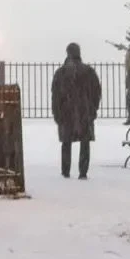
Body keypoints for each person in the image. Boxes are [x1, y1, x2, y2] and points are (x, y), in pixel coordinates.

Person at [51, 42, 102, 179]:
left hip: (66, 112)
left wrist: (57, 112)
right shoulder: (89, 72)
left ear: (67, 53)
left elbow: (56, 95)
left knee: (66, 142)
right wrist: (93, 109)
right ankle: (83, 171)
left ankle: (65, 170)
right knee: (85, 142)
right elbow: (97, 92)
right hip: (84, 111)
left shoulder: (61, 73)